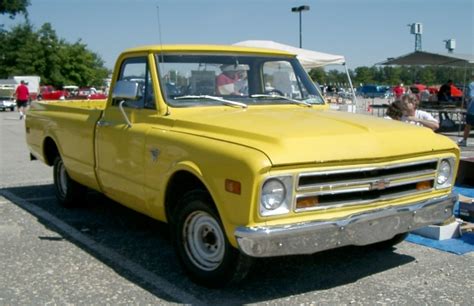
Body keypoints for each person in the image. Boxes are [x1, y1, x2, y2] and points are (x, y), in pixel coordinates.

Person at [458, 79, 474, 147]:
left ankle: (464, 141)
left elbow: (470, 96)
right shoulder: (471, 84)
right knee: (468, 125)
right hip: (472, 109)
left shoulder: (471, 84)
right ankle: (464, 141)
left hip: (472, 109)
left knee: (468, 125)